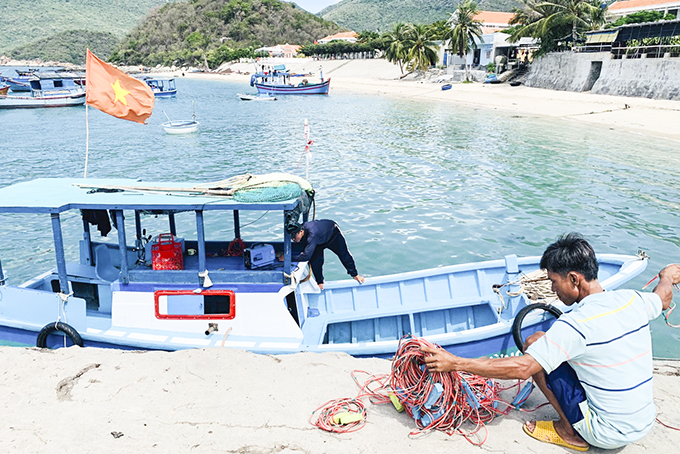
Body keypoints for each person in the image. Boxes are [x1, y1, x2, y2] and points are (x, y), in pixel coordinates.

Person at [422, 233, 680, 451]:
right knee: (544, 343)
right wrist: (666, 276)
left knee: (535, 345)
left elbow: (522, 368)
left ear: (574, 279)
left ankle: (570, 432)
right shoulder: (633, 299)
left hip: (605, 433)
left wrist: (455, 363)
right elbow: (663, 297)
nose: (553, 290)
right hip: (642, 423)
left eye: (554, 282)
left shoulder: (575, 324)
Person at [286, 220, 365, 290]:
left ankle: (355, 275)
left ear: (301, 232)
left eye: (294, 236)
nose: (293, 239)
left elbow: (306, 256)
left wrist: (287, 258)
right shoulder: (304, 233)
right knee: (315, 261)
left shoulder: (312, 235)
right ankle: (320, 282)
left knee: (343, 254)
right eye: (291, 237)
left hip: (333, 234)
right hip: (318, 240)